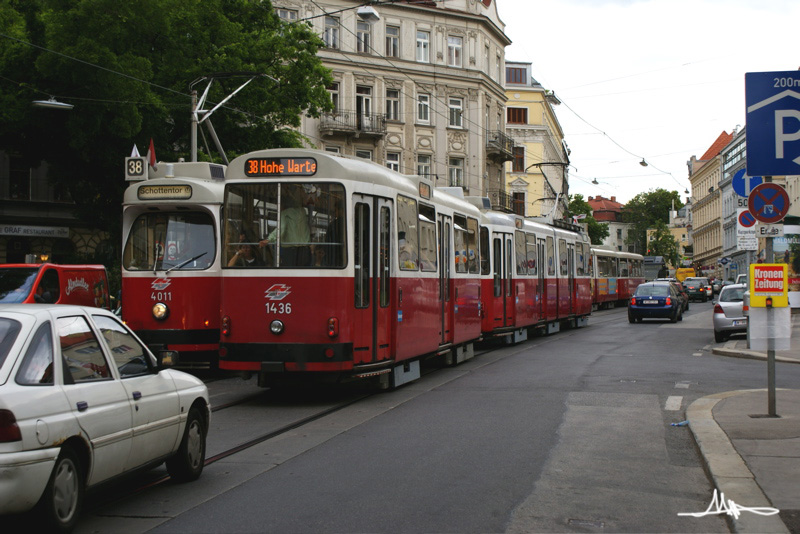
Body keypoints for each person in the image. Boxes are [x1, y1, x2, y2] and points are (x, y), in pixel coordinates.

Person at [260, 184, 311, 266]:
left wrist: (269, 239)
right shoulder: (302, 211)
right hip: (305, 251)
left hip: (291, 252)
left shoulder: (284, 214)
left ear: (282, 205)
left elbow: (281, 229)